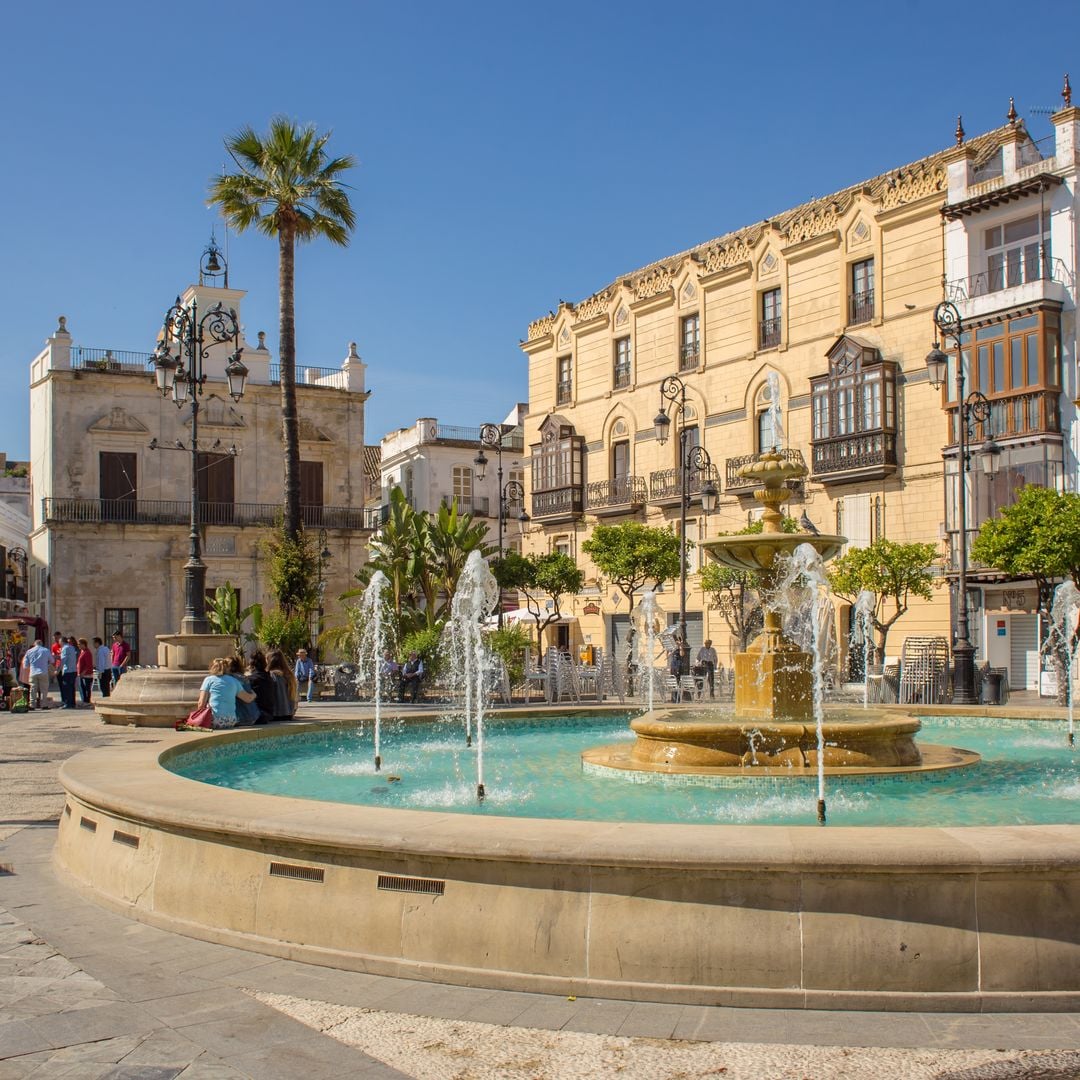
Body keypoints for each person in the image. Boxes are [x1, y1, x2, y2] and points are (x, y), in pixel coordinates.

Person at [196, 657, 254, 729]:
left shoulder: (209, 679)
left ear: (212, 667)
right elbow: (247, 699)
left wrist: (199, 717)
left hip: (214, 721)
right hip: (231, 721)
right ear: (227, 668)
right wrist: (254, 694)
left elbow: (201, 703)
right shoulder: (234, 681)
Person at [245, 651, 276, 725]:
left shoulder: (251, 679)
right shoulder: (269, 678)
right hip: (269, 713)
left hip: (259, 715)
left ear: (251, 665)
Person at [266, 649, 297, 720]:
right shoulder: (289, 675)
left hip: (275, 715)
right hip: (289, 714)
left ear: (270, 661)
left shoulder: (271, 675)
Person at [24, 639, 53, 709]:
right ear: (41, 644)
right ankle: (43, 704)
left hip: (33, 672)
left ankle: (32, 704)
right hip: (43, 672)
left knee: (33, 689)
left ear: (34, 644)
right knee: (44, 689)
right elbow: (52, 660)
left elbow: (25, 665)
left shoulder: (29, 651)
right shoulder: (46, 650)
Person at [59, 636, 78, 709]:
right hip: (73, 670)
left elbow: (63, 660)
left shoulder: (65, 648)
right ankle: (72, 703)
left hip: (67, 671)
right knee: (72, 687)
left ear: (62, 642)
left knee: (66, 688)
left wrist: (58, 670)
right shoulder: (72, 647)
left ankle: (67, 703)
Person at [76, 638, 95, 706]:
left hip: (86, 675)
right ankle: (84, 700)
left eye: (79, 644)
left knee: (87, 688)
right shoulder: (82, 652)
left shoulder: (87, 653)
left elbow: (88, 665)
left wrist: (83, 673)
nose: (78, 645)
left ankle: (87, 701)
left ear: (83, 644)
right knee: (82, 688)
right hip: (81, 674)